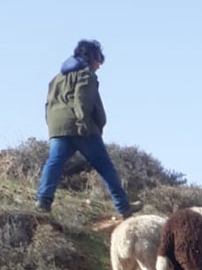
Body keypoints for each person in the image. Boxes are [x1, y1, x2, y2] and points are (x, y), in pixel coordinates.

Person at [36, 39, 131, 217]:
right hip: (81, 127)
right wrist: (83, 123)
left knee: (54, 163)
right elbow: (82, 100)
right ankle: (124, 206)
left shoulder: (56, 78)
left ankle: (43, 201)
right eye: (98, 60)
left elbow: (48, 103)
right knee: (104, 166)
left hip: (58, 127)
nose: (99, 65)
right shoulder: (86, 74)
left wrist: (52, 126)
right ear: (90, 57)